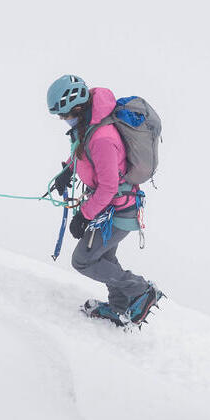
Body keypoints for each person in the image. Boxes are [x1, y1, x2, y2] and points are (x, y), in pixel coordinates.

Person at [47, 74, 163, 326]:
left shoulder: (102, 138)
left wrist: (83, 215)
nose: (62, 119)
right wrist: (68, 169)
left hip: (119, 212)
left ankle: (142, 291)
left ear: (76, 106)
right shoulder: (88, 126)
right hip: (110, 209)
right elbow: (85, 155)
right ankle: (119, 308)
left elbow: (109, 186)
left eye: (63, 114)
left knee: (83, 261)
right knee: (105, 259)